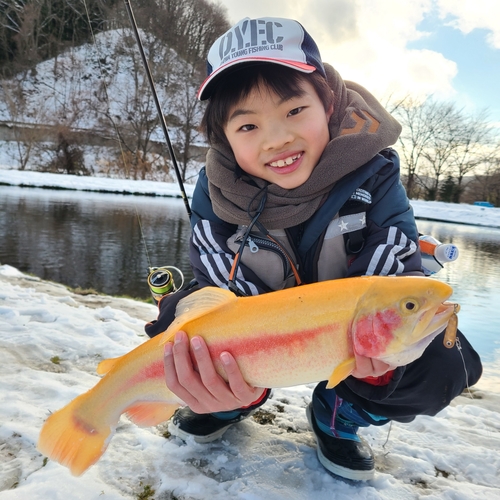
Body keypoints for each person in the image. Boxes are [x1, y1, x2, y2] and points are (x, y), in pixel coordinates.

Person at [145, 17, 482, 481]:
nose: (277, 138)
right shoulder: (213, 193)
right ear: (224, 138)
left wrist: (381, 363)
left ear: (328, 104)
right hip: (260, 332)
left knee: (446, 362)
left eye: (293, 111)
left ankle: (340, 410)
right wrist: (228, 375)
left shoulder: (376, 173)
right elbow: (217, 286)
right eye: (247, 125)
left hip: (348, 336)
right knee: (176, 329)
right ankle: (234, 401)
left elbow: (396, 273)